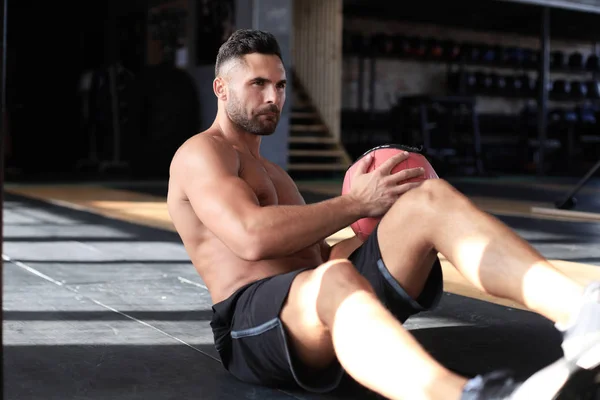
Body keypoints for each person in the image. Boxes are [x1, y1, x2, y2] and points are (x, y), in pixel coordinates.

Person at [167, 29, 600, 400]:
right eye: (258, 84)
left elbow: (319, 255)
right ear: (221, 89)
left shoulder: (276, 174)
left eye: (280, 86)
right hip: (253, 325)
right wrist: (357, 204)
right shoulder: (201, 153)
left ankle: (584, 314)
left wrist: (390, 227)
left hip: (326, 300)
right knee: (333, 278)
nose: (272, 97)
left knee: (429, 200)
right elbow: (251, 239)